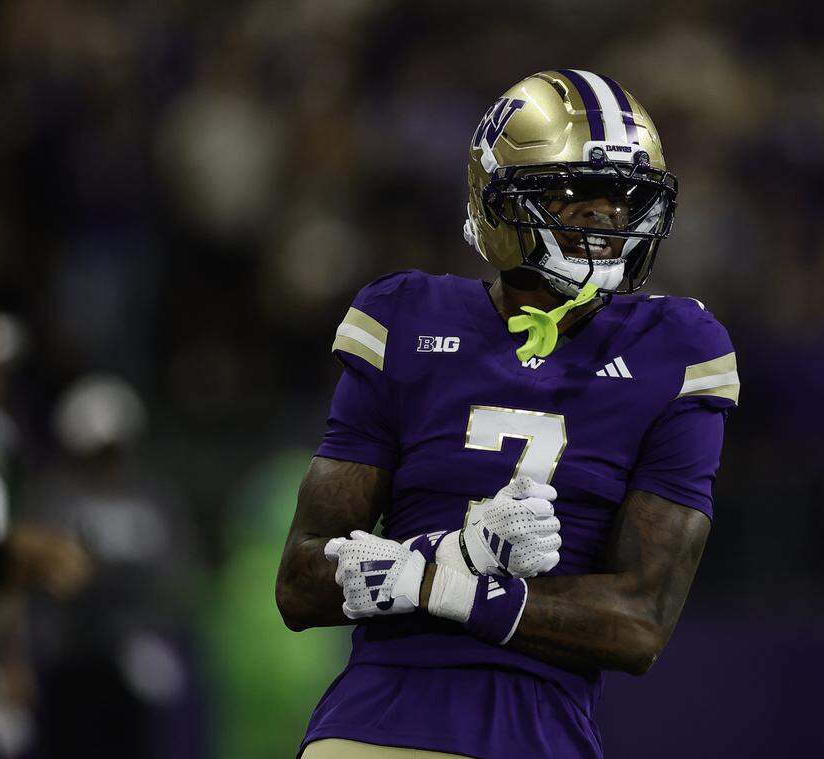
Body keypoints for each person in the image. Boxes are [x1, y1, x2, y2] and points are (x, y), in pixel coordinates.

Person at [276, 70, 738, 759]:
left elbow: (640, 623)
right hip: (374, 720)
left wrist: (438, 579)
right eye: (577, 191)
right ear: (499, 198)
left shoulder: (677, 346)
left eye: (626, 195)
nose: (608, 214)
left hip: (537, 728)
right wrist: (457, 553)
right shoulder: (404, 314)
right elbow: (299, 582)